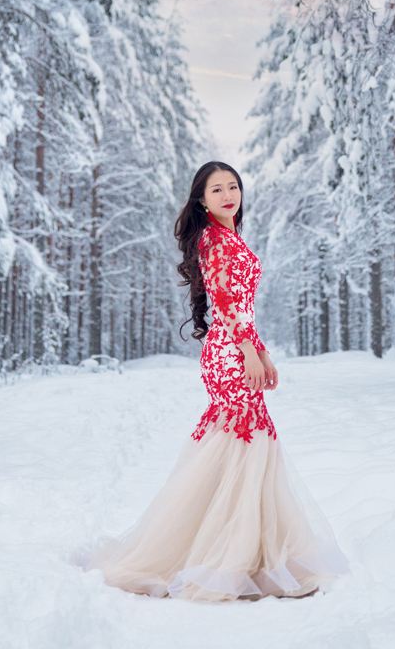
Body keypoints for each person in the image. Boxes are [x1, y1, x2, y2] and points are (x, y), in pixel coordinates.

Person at [83, 161, 350, 601]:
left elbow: (243, 307)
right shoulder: (213, 239)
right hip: (228, 354)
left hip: (237, 347)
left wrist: (261, 351)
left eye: (233, 187)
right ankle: (224, 559)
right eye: (216, 189)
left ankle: (245, 555)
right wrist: (247, 352)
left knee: (244, 448)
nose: (228, 195)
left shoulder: (229, 237)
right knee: (244, 444)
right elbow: (226, 302)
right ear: (201, 200)